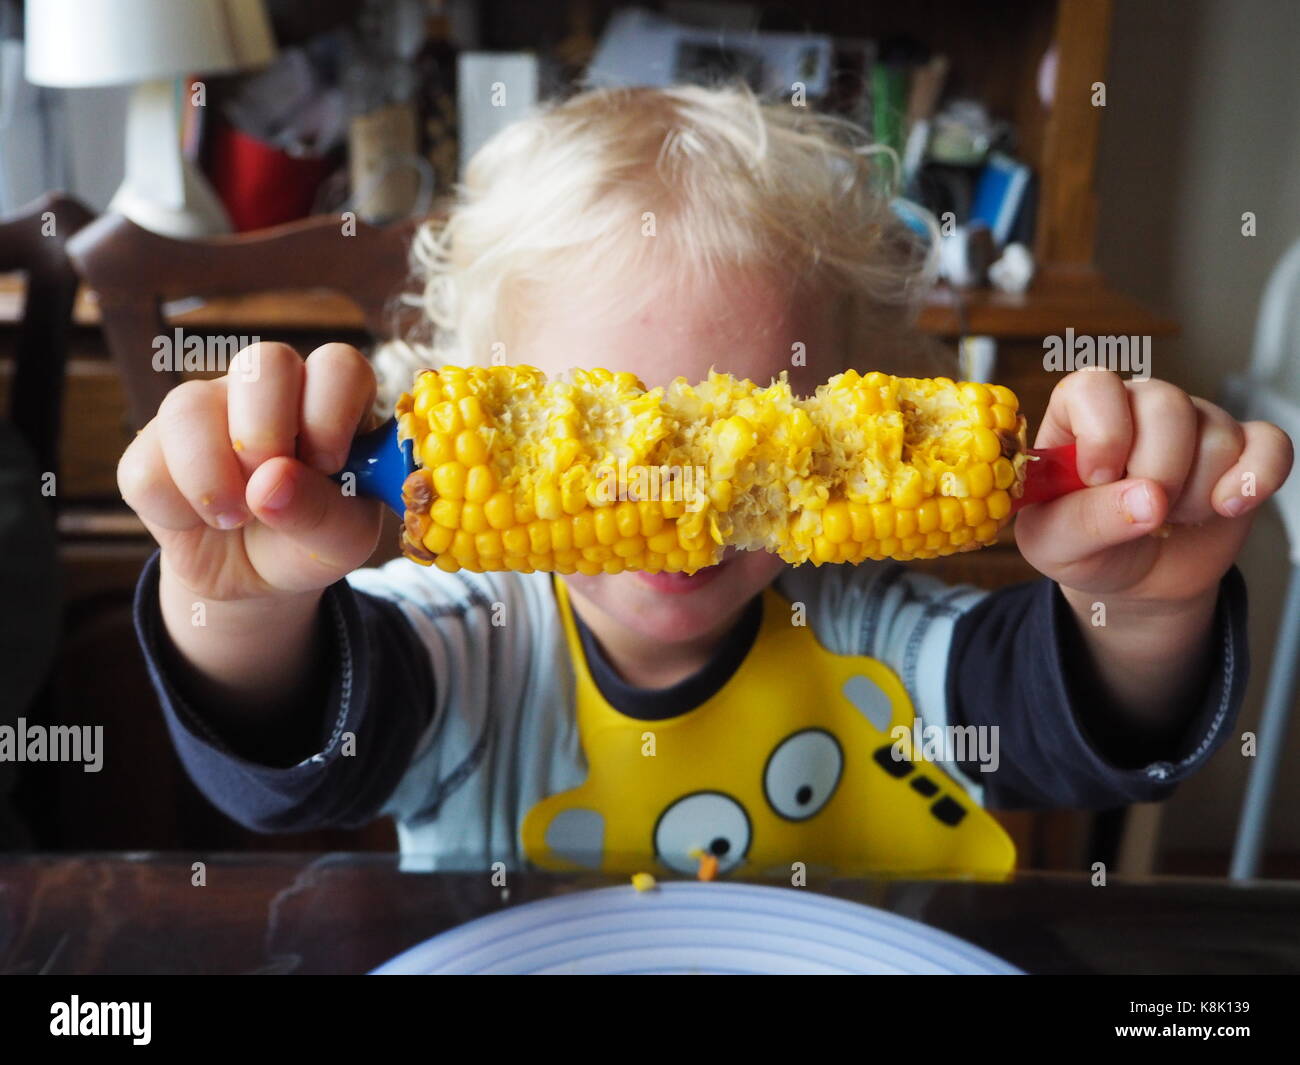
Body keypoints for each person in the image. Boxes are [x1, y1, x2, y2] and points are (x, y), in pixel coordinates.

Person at [120, 85, 1291, 875]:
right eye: (591, 433)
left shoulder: (872, 631)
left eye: (750, 436)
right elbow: (304, 766)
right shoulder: (466, 642)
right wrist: (241, 605)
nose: (671, 500)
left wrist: (1137, 612)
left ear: (852, 413)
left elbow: (1054, 729)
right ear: (479, 411)